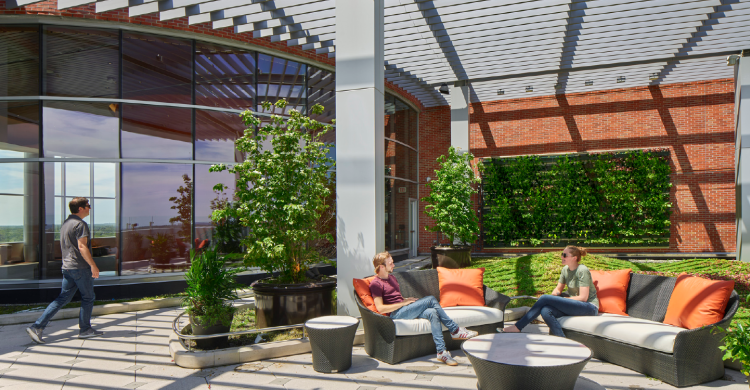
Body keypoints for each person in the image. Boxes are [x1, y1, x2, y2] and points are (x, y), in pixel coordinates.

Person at [369, 251, 478, 366]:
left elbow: (396, 298)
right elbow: (381, 308)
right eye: (390, 263)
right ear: (382, 267)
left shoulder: (392, 278)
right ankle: (455, 330)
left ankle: (441, 351)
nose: (393, 265)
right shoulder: (375, 284)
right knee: (430, 299)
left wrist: (407, 300)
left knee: (433, 312)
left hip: (404, 308)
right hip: (396, 314)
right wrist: (404, 303)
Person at [26, 197, 104, 344]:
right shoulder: (80, 224)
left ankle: (37, 327)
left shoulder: (66, 223)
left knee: (63, 298)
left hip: (68, 268)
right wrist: (93, 265)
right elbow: (82, 247)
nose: (90, 208)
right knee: (88, 298)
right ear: (80, 208)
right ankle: (85, 330)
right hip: (80, 268)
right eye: (88, 206)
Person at [502, 245, 599, 338]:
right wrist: (554, 295)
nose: (561, 256)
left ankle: (518, 327)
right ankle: (562, 340)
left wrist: (563, 299)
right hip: (576, 304)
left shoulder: (582, 270)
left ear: (574, 258)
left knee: (544, 298)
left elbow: (583, 297)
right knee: (546, 311)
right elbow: (558, 289)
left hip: (589, 307)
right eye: (562, 254)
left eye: (564, 255)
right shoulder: (565, 270)